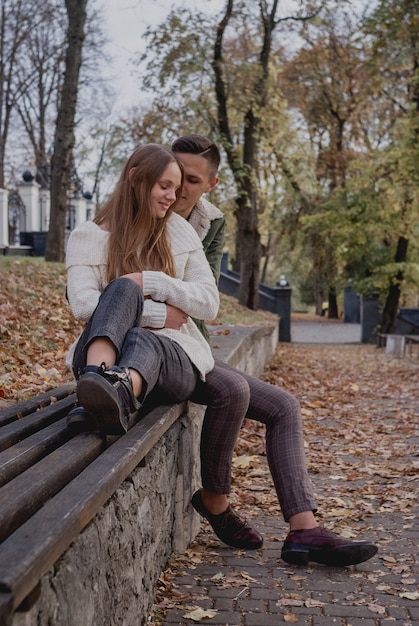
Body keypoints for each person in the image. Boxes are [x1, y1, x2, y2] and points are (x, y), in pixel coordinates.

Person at [171, 134, 378, 567]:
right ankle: (214, 501)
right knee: (233, 391)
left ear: (210, 184)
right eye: (175, 173)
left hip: (195, 345)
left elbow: (203, 295)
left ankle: (304, 530)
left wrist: (188, 311)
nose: (179, 186)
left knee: (284, 405)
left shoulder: (211, 220)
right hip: (161, 351)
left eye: (192, 179)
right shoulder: (149, 208)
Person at [65, 143, 220, 437]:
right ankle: (95, 382)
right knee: (124, 287)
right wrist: (160, 314)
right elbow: (84, 305)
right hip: (100, 352)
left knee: (140, 336)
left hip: (171, 359)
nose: (173, 197)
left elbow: (209, 303)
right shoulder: (87, 237)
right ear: (136, 178)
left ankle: (116, 394)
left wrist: (152, 281)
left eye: (175, 188)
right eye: (164, 186)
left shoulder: (178, 231)